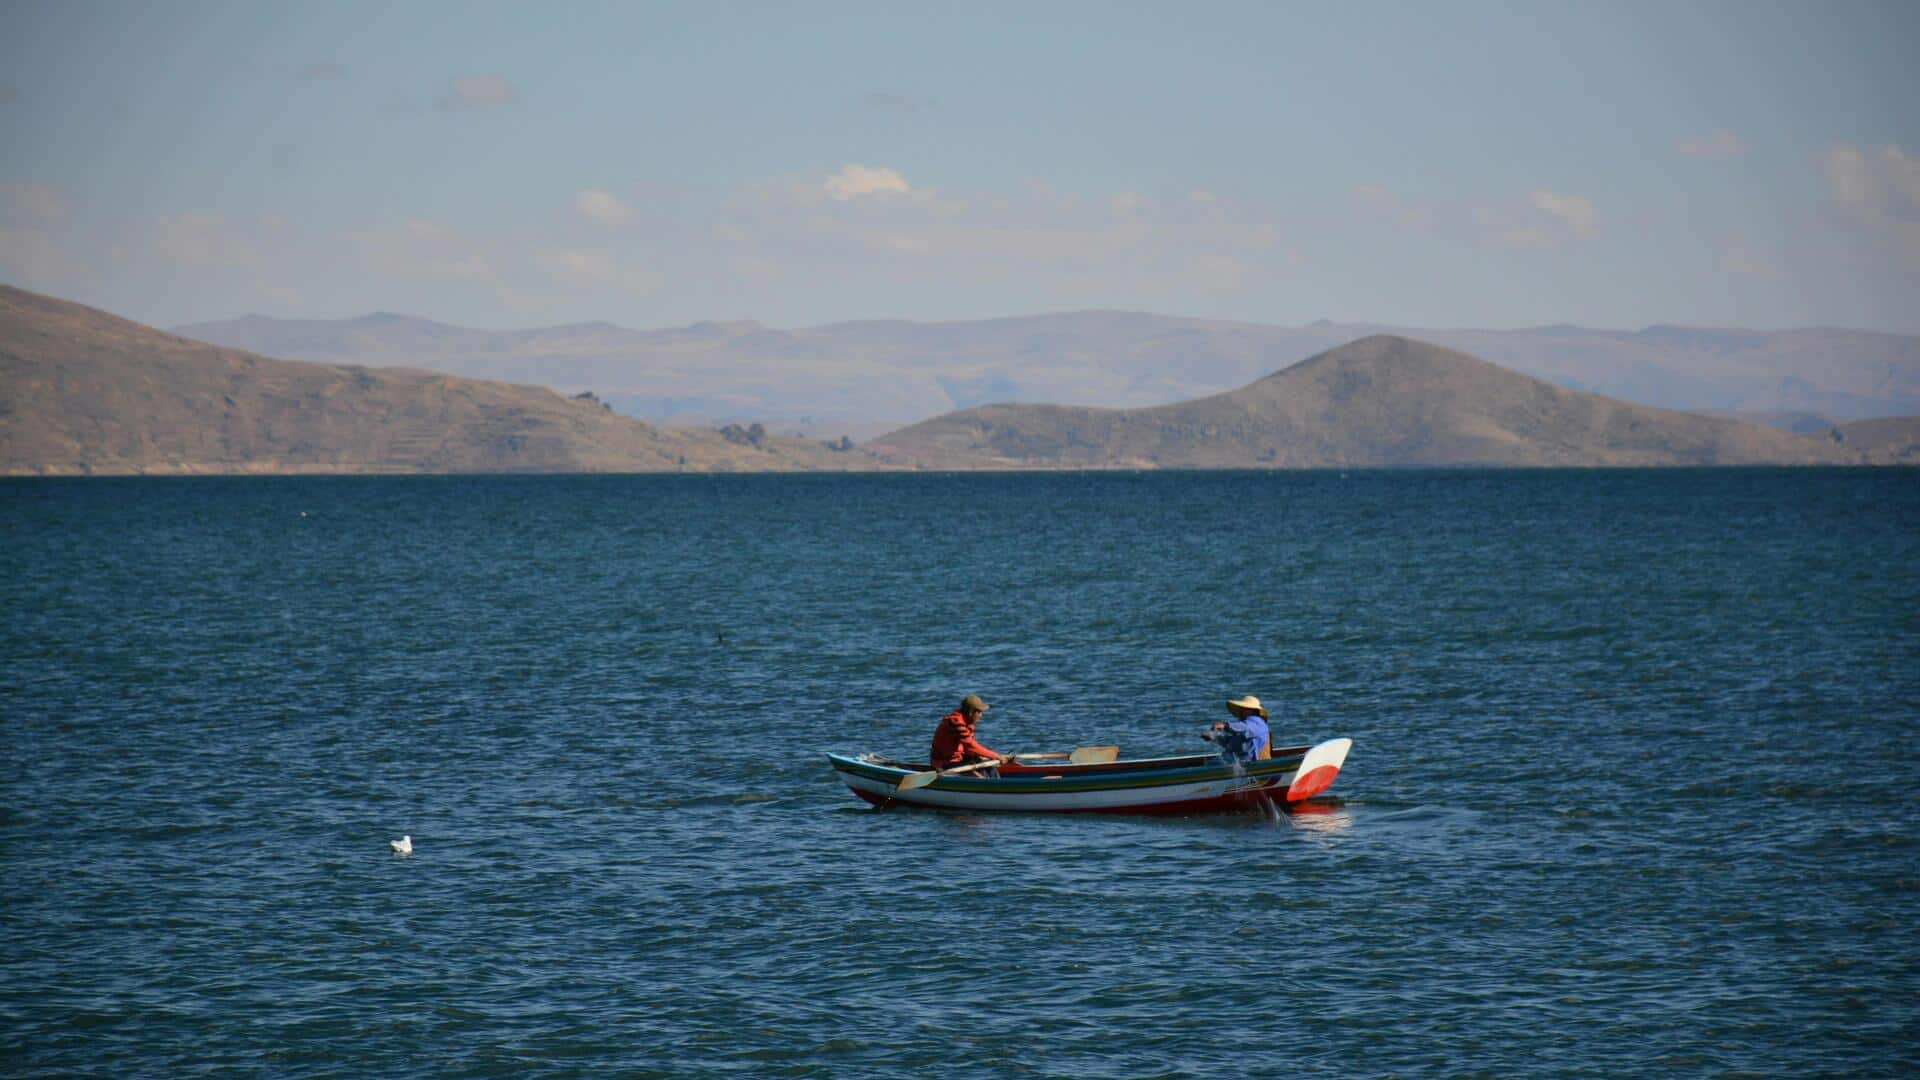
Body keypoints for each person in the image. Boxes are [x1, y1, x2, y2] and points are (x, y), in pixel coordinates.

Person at [929, 694, 1009, 771]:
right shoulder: (956, 722)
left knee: (988, 766)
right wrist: (996, 756)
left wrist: (986, 757)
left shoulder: (967, 723)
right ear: (971, 712)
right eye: (979, 712)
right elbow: (971, 746)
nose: (981, 716)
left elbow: (969, 750)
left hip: (957, 759)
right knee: (980, 769)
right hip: (944, 763)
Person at [1204, 694, 1270, 762]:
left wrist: (1226, 726)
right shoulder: (1245, 725)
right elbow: (1229, 743)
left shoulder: (1256, 722)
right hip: (1234, 760)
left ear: (1251, 710)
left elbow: (1246, 728)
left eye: (1243, 708)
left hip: (1244, 762)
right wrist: (1214, 737)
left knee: (1209, 766)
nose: (1240, 711)